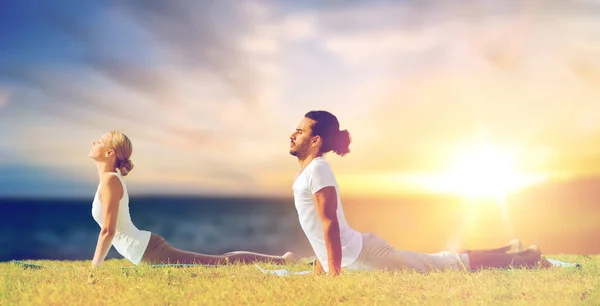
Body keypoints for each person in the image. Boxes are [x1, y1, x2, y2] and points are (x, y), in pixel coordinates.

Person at [289, 110, 551, 276]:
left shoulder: (318, 169)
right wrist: (322, 269)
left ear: (315, 141)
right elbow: (318, 229)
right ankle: (511, 250)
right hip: (357, 256)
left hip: (363, 257)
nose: (293, 135)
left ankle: (529, 258)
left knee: (450, 266)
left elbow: (329, 223)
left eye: (300, 131)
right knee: (443, 261)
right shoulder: (306, 172)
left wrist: (332, 276)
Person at [88, 131, 297, 267]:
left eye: (98, 141)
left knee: (220, 264)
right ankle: (281, 260)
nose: (93, 142)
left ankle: (282, 260)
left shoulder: (110, 182)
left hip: (147, 251)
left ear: (109, 152)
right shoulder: (108, 181)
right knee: (218, 261)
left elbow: (108, 230)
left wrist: (94, 268)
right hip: (144, 248)